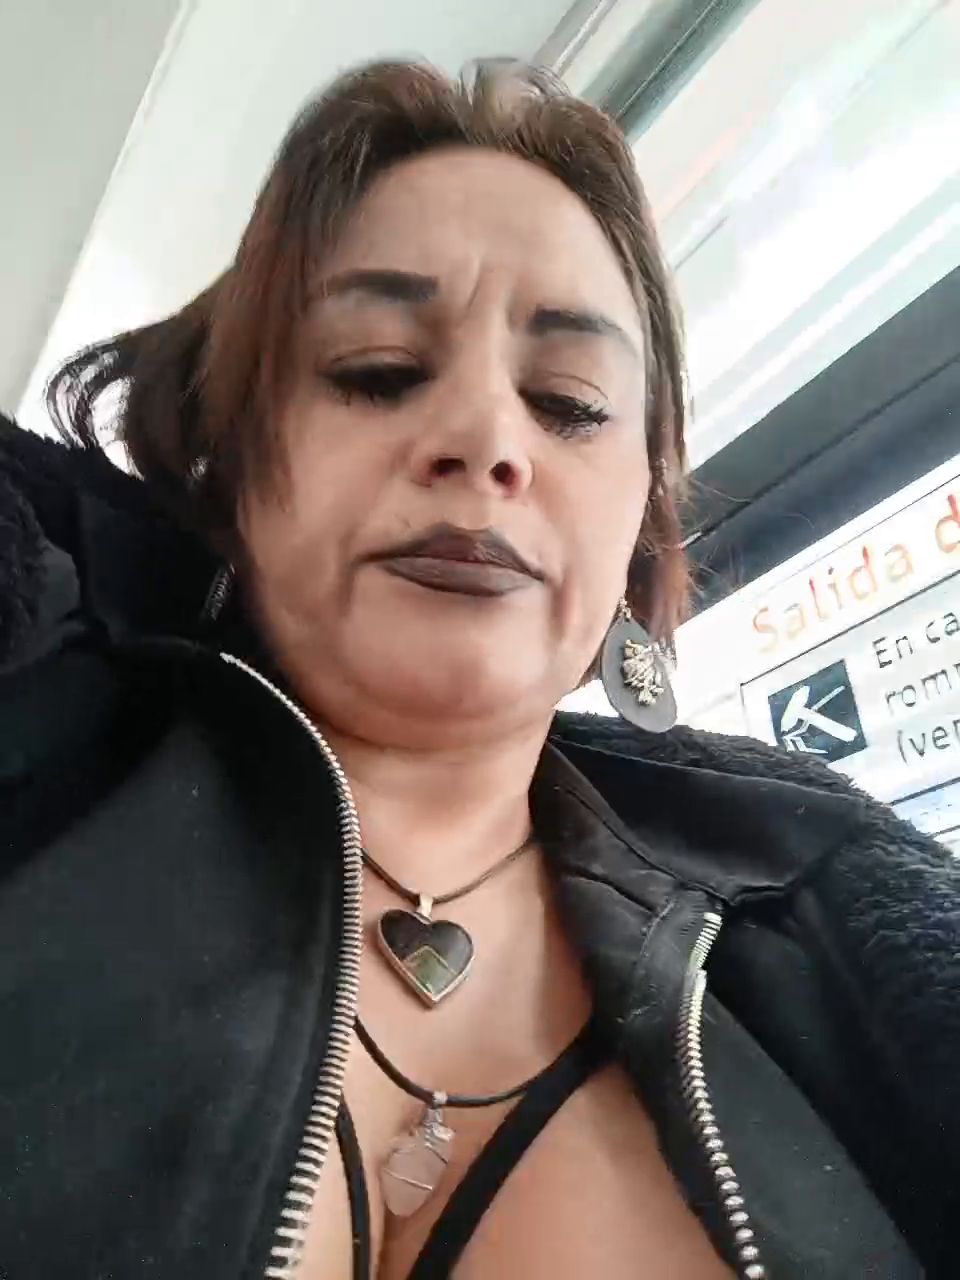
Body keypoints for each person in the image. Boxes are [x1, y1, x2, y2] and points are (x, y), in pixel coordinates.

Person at [0, 59, 957, 1280]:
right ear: (237, 460)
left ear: (639, 510)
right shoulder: (44, 717)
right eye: (376, 369)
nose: (486, 439)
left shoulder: (826, 909)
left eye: (568, 400)